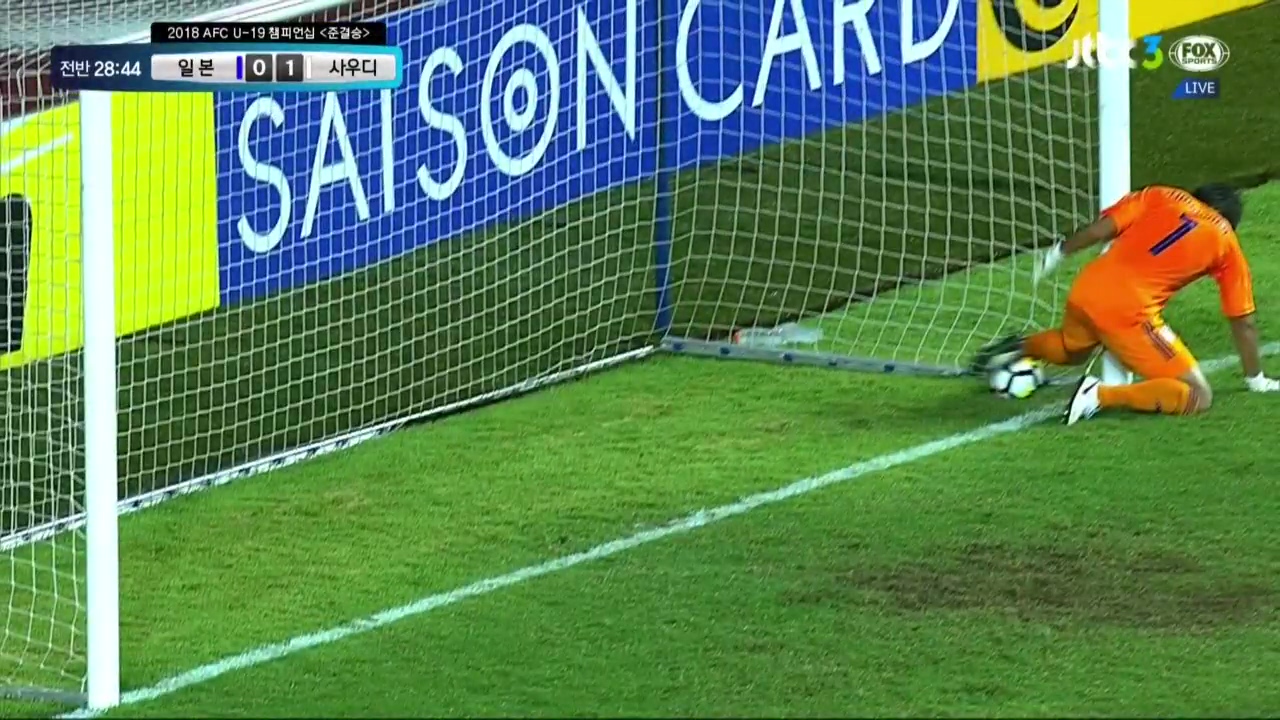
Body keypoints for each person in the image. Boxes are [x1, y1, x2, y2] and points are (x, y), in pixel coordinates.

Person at [971, 183, 1279, 425]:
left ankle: (1019, 347)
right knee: (1198, 396)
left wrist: (1059, 252)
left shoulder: (1163, 195)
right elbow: (1243, 321)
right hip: (1128, 312)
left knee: (1072, 349)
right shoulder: (1226, 243)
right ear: (1230, 221)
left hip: (1087, 288)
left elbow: (1102, 228)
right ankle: (1098, 395)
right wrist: (1255, 378)